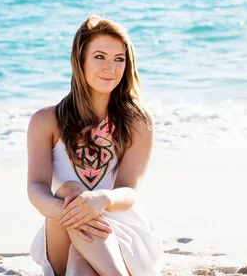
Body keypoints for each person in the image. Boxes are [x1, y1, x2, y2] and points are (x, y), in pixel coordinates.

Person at [27, 15, 163, 275]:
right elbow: (36, 188)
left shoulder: (137, 121)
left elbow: (129, 191)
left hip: (122, 232)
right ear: (80, 61)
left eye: (119, 59)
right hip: (61, 227)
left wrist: (102, 199)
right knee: (70, 189)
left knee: (81, 262)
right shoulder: (46, 121)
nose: (110, 68)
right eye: (100, 56)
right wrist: (72, 212)